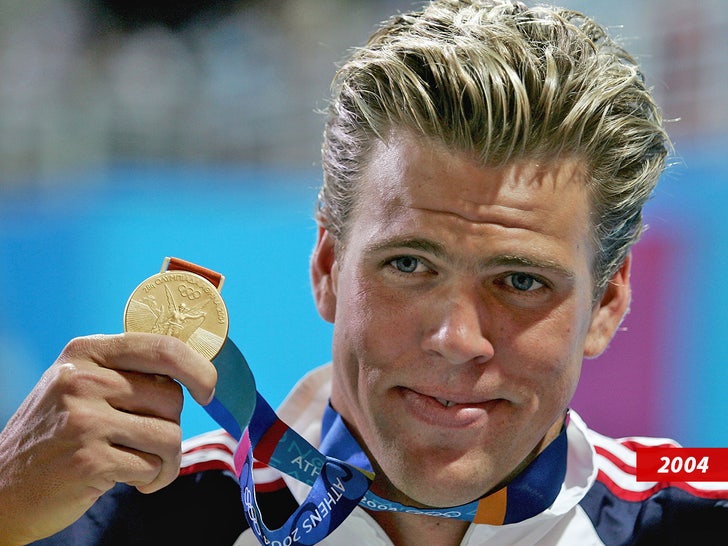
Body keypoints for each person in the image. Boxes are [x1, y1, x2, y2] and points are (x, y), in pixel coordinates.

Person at [2, 0, 727, 544]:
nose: (455, 338)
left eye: (521, 282)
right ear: (325, 267)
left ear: (607, 301)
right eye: (409, 264)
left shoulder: (693, 520)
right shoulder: (126, 520)